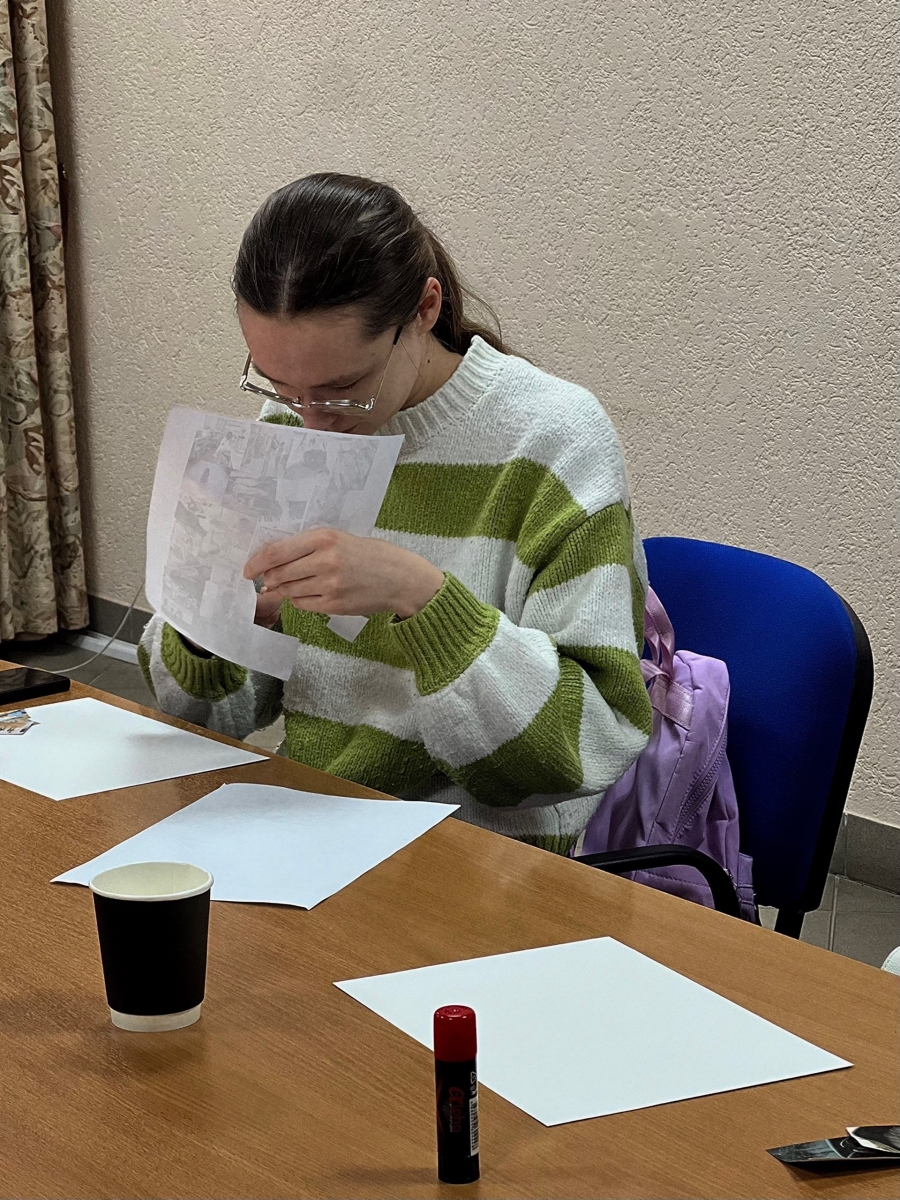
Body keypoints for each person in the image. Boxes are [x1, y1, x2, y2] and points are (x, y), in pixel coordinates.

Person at [139, 173, 652, 854]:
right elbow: (207, 717)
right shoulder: (292, 424)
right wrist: (211, 625)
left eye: (344, 389)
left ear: (424, 310)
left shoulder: (552, 441)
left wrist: (419, 596)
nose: (312, 422)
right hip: (311, 829)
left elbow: (582, 749)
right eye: (281, 386)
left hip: (482, 855)